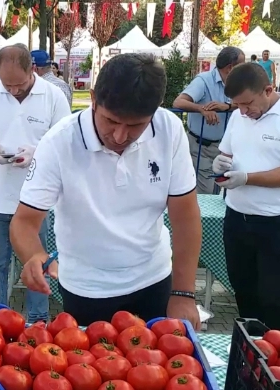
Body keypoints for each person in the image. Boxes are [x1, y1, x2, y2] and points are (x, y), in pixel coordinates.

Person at [11, 53, 202, 328]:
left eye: (136, 125)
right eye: (111, 121)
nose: (120, 136)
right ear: (93, 99)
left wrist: (183, 293)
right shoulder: (59, 142)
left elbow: (185, 217)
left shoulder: (169, 128)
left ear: (155, 110)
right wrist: (34, 255)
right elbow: (24, 221)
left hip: (154, 277)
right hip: (86, 287)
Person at [212, 63, 280, 333]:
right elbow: (228, 153)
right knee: (243, 288)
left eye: (247, 104)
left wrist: (248, 178)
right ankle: (252, 350)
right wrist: (221, 163)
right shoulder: (240, 115)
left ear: (269, 90)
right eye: (237, 105)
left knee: (273, 295)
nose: (243, 112)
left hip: (278, 222)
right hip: (237, 217)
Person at [0, 43, 71, 323]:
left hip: (36, 200)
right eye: (7, 84)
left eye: (19, 84)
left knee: (36, 262)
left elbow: (65, 143)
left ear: (33, 71)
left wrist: (37, 151)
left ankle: (38, 320)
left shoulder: (53, 96)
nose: (13, 90)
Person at [173, 46, 245, 194]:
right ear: (230, 67)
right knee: (206, 194)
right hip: (201, 148)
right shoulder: (204, 80)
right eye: (242, 65)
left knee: (223, 194)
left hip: (226, 149)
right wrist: (202, 109)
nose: (244, 68)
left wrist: (227, 106)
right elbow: (178, 102)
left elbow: (250, 103)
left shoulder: (238, 83)